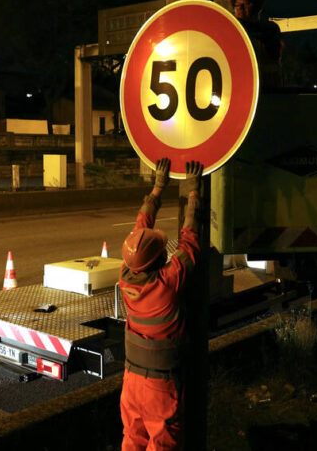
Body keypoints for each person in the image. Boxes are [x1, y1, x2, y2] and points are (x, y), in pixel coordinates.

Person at [119, 157, 204, 450]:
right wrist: (193, 193)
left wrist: (157, 189)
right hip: (160, 385)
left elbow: (139, 231)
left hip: (131, 381)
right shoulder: (167, 284)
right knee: (162, 443)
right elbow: (190, 241)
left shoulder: (126, 275)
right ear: (158, 260)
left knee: (132, 438)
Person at [228, 0, 283, 87]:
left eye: (247, 3)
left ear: (258, 6)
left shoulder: (270, 29)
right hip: (243, 88)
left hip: (268, 90)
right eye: (237, 4)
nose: (241, 8)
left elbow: (255, 29)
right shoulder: (233, 31)